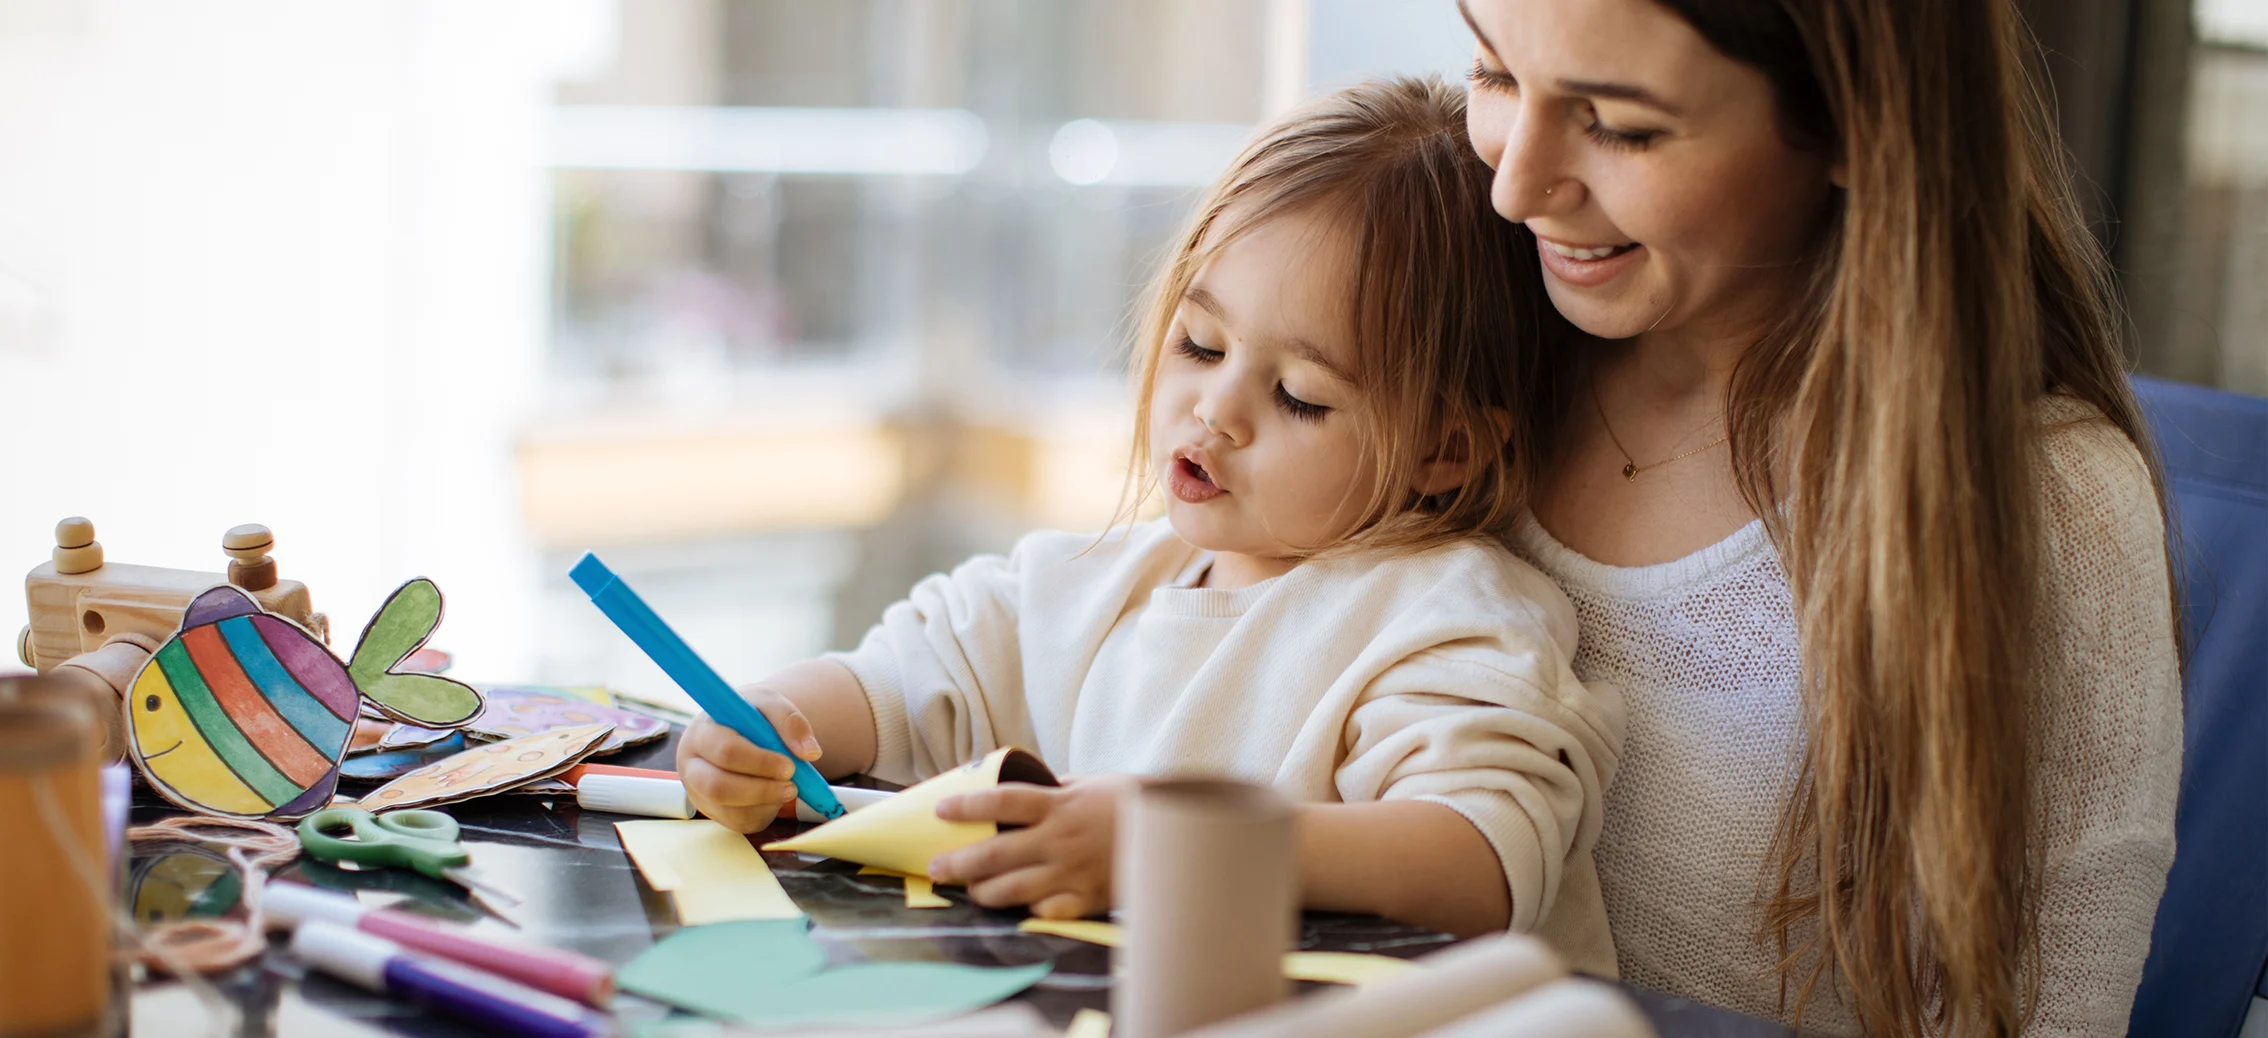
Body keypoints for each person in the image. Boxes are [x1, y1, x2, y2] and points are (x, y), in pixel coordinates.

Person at [676, 77, 1625, 973]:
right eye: (1199, 343)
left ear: (1445, 451)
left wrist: (1167, 844)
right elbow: (893, 680)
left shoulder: (1445, 613)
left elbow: (1476, 861)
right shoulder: (1092, 582)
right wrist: (765, 729)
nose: (1213, 410)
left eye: (1298, 397)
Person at [1455, 0, 2182, 1034]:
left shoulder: (2040, 502)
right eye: (1493, 75)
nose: (1514, 185)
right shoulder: (1462, 348)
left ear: (1853, 123)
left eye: (1622, 125)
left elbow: (2034, 1012)